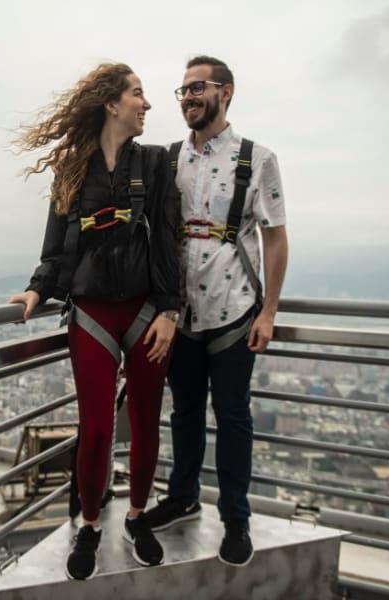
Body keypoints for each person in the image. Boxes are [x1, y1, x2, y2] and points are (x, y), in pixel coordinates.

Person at [8, 62, 181, 580]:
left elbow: (168, 239)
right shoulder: (73, 170)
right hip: (92, 312)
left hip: (147, 312)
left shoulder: (154, 164)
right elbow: (58, 244)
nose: (147, 105)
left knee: (147, 420)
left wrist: (171, 309)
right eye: (138, 94)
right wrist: (39, 289)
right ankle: (90, 523)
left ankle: (135, 516)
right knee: (97, 430)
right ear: (112, 104)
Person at [143, 56, 288, 567]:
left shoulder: (257, 159)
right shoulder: (167, 160)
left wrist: (269, 311)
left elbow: (274, 238)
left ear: (226, 92)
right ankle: (183, 497)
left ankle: (235, 518)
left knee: (232, 417)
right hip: (180, 314)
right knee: (183, 413)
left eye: (197, 87)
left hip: (234, 310)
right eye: (181, 90)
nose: (187, 97)